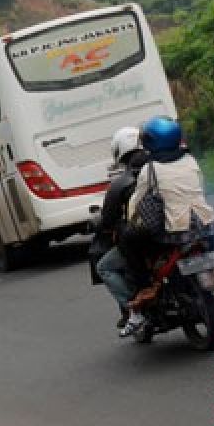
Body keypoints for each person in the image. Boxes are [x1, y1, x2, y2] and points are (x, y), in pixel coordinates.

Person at [121, 115, 214, 334]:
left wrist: (131, 220)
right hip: (206, 225)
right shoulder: (191, 160)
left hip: (174, 232)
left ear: (150, 142)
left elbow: (137, 199)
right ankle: (212, 269)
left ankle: (145, 286)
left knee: (128, 239)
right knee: (211, 231)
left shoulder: (150, 169)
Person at [93, 126, 149, 334]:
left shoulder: (121, 183)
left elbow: (107, 218)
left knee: (104, 267)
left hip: (144, 239)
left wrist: (99, 224)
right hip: (178, 230)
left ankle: (133, 309)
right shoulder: (162, 167)